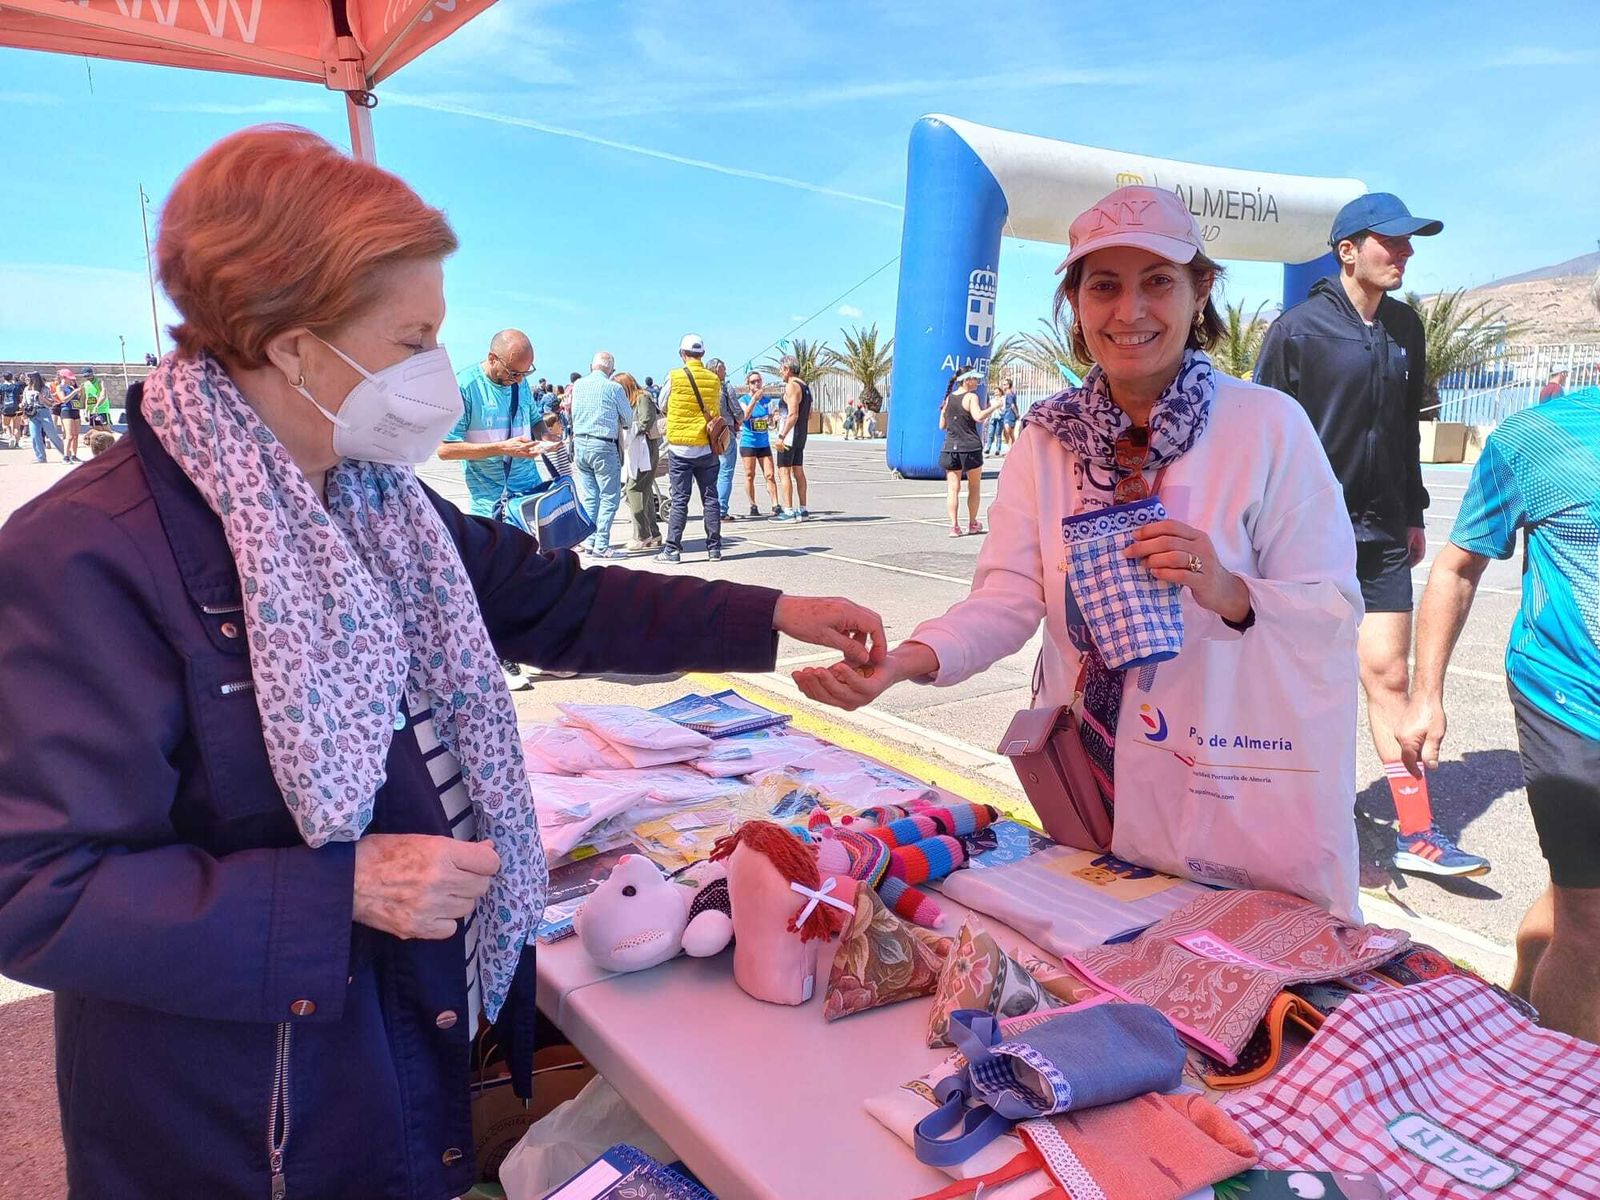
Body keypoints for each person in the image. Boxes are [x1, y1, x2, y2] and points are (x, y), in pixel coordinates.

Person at [0, 126, 887, 1200]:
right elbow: (34, 890)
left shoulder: (372, 497)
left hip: (388, 1043)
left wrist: (777, 609)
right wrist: (337, 894)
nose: (436, 376)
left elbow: (555, 597)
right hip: (242, 1118)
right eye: (411, 338)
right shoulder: (90, 554)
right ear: (292, 346)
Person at [795, 184, 1362, 907]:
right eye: (1104, 287)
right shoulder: (1046, 439)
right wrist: (903, 664)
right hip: (1090, 790)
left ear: (1201, 291)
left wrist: (1230, 591)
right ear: (1075, 302)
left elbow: (1333, 608)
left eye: (1158, 282)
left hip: (1230, 784)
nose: (1129, 312)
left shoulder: (1267, 427)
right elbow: (1005, 597)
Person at [1254, 192, 1487, 878]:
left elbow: (1405, 434)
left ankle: (1418, 833)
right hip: (1308, 531)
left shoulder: (1408, 329)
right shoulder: (1296, 331)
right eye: (1392, 241)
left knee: (1389, 672)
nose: (1405, 252)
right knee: (1304, 682)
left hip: (1384, 529)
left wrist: (1413, 512)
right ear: (1347, 248)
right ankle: (1291, 814)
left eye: (1410, 243)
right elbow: (1265, 438)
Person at [1396, 271, 1600, 1040]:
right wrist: (1427, 693)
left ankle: (1520, 1005)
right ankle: (1565, 1111)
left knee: (1580, 898)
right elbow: (1455, 566)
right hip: (1572, 702)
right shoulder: (1536, 438)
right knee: (1592, 922)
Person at [439, 330, 563, 691]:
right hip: (489, 498)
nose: (518, 381)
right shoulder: (466, 386)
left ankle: (538, 650)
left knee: (535, 573)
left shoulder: (519, 384)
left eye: (525, 374)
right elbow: (446, 449)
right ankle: (499, 656)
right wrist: (501, 449)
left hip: (528, 490)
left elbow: (535, 419)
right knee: (495, 579)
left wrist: (548, 437)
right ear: (492, 358)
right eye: (512, 373)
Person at [656, 334, 737, 565]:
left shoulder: (674, 376)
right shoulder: (714, 379)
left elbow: (662, 404)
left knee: (680, 498)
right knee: (710, 497)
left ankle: (672, 550)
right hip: (706, 446)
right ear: (703, 354)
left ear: (682, 354)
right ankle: (714, 549)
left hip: (680, 447)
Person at [568, 350, 634, 558]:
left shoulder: (578, 385)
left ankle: (590, 540)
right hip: (603, 444)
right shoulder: (613, 388)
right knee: (609, 496)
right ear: (611, 370)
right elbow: (628, 419)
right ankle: (602, 544)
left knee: (590, 496)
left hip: (580, 443)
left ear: (591, 366)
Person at [940, 369, 1001, 537]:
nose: (977, 382)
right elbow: (978, 416)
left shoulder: (948, 399)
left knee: (953, 488)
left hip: (950, 447)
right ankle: (973, 523)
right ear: (967, 380)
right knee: (974, 487)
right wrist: (994, 407)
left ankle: (954, 526)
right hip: (970, 447)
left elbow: (942, 425)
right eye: (974, 379)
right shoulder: (971, 397)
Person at [615, 370, 662, 550]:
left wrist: (628, 429)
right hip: (636, 449)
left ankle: (642, 534)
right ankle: (653, 532)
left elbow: (646, 421)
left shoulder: (643, 398)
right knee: (645, 491)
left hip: (644, 449)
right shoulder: (632, 401)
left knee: (633, 489)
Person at [772, 354, 813, 522]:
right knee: (798, 470)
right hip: (801, 434)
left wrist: (781, 435)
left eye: (781, 370)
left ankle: (788, 510)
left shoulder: (792, 386)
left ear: (787, 369)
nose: (781, 373)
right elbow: (808, 414)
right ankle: (802, 509)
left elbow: (793, 414)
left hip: (789, 436)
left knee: (784, 471)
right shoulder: (806, 387)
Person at [739, 369, 780, 517]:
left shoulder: (767, 401)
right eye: (753, 382)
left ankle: (775, 504)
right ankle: (753, 504)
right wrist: (754, 399)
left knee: (770, 474)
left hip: (763, 443)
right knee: (750, 474)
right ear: (748, 385)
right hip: (748, 443)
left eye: (758, 381)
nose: (756, 383)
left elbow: (771, 420)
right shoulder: (743, 400)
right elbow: (745, 416)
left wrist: (773, 419)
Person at [708, 357, 741, 521]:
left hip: (706, 433)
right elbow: (738, 411)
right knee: (726, 471)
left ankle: (710, 508)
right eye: (723, 368)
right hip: (724, 433)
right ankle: (721, 509)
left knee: (709, 472)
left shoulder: (704, 388)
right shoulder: (726, 388)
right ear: (717, 370)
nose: (726, 371)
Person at [22, 370, 65, 463]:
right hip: (32, 413)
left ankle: (65, 454)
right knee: (34, 436)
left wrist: (42, 398)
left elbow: (51, 403)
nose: (26, 380)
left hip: (43, 411)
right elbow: (24, 401)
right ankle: (41, 457)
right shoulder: (26, 389)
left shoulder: (44, 389)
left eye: (28, 378)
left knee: (52, 434)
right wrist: (22, 406)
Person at [53, 367, 83, 462]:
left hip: (75, 411)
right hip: (67, 411)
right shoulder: (60, 387)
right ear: (63, 377)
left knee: (76, 436)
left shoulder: (71, 387)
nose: (71, 380)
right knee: (69, 436)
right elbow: (63, 399)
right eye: (69, 378)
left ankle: (74, 455)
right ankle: (66, 456)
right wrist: (74, 392)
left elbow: (78, 400)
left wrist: (79, 393)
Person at [82, 365, 111, 430]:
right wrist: (86, 412)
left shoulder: (99, 382)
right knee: (97, 430)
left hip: (102, 409)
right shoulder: (85, 384)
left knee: (106, 429)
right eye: (85, 376)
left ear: (92, 373)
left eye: (88, 375)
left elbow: (103, 395)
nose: (87, 378)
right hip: (92, 411)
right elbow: (88, 398)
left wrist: (96, 407)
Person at [0, 372, 22, 447]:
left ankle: (10, 437)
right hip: (17, 408)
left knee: (5, 425)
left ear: (4, 377)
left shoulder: (1, 386)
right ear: (12, 377)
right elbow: (20, 397)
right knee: (17, 427)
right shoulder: (16, 386)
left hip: (6, 408)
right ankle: (17, 443)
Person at [1000, 377, 1020, 449]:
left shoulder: (1009, 394)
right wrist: (1017, 414)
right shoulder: (1012, 394)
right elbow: (1015, 404)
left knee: (1006, 432)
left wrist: (1017, 414)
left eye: (1005, 384)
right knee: (1011, 433)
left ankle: (1011, 448)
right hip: (1010, 414)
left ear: (1008, 385)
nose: (1003, 386)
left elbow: (1012, 405)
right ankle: (1013, 448)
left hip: (1009, 414)